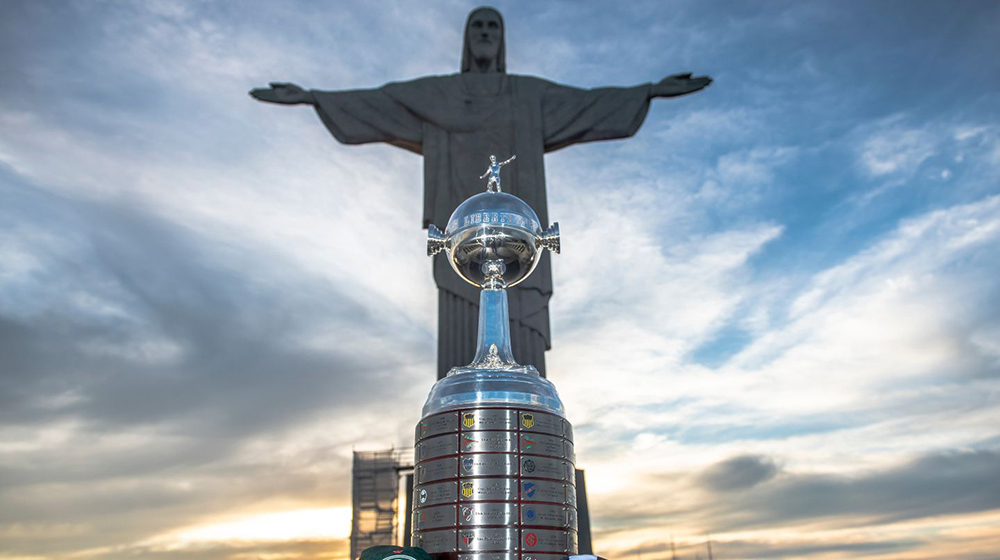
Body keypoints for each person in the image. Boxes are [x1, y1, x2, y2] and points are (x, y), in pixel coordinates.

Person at [250, 7, 711, 378]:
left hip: (521, 239)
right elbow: (380, 102)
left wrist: (649, 91)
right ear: (466, 38)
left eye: (494, 26)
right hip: (459, 237)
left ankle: (525, 422)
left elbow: (588, 102)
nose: (486, 33)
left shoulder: (528, 95)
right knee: (458, 340)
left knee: (521, 340)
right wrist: (313, 97)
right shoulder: (438, 94)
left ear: (503, 38)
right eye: (478, 26)